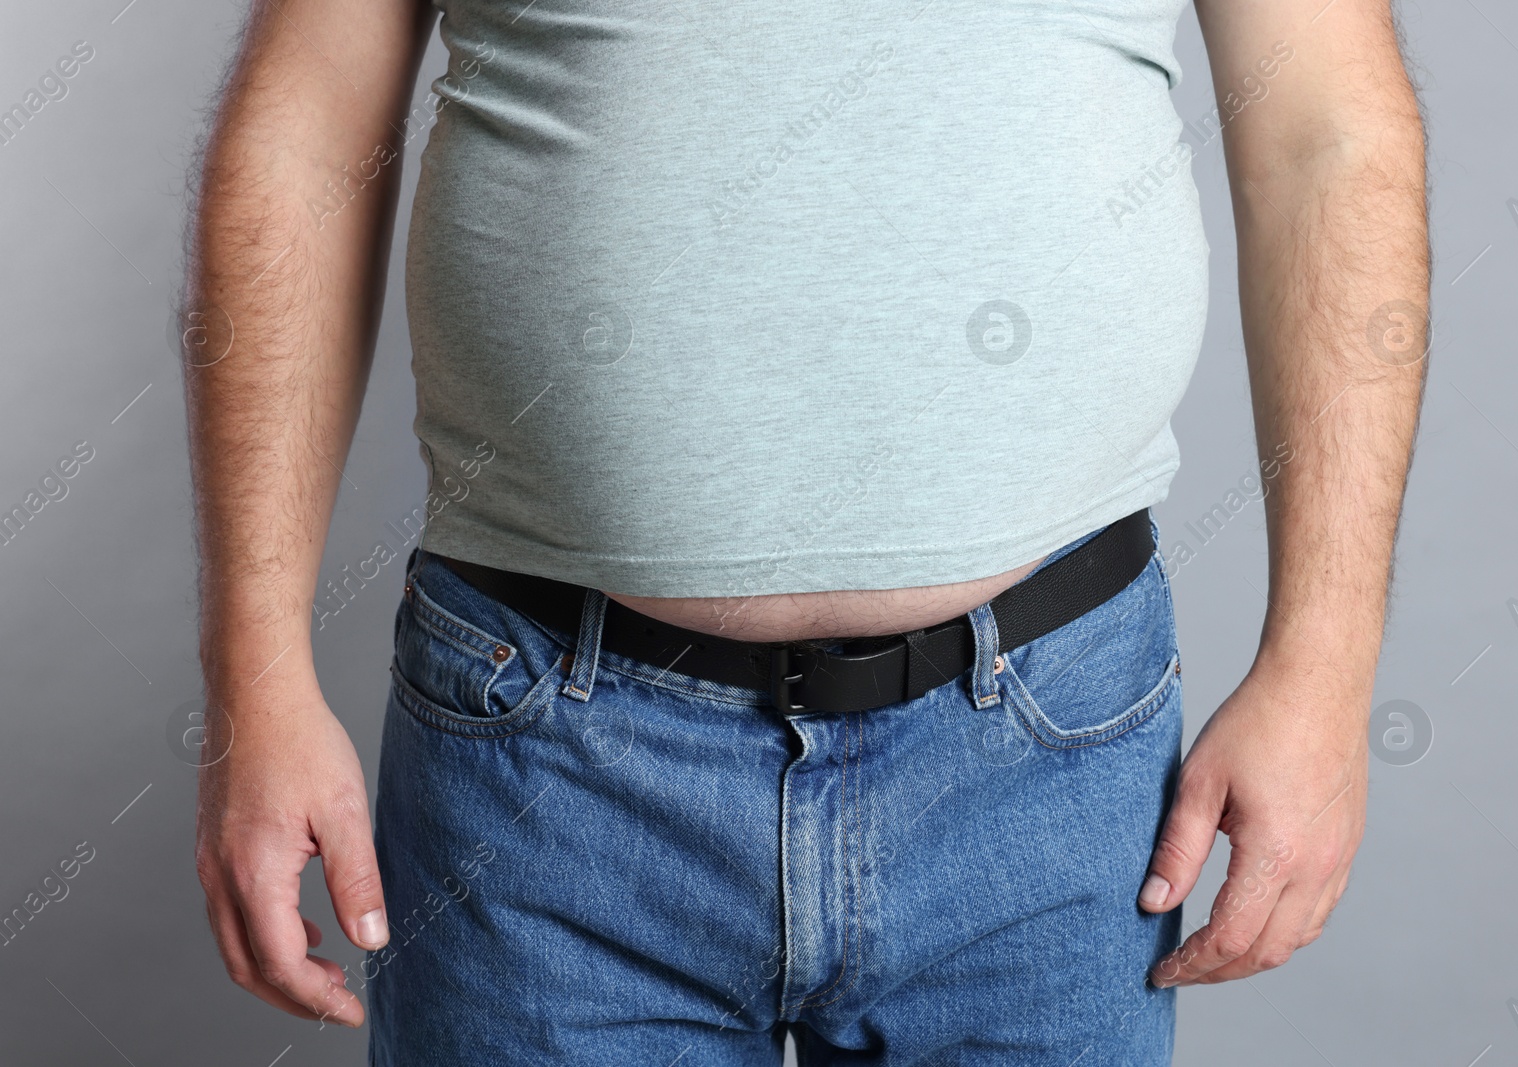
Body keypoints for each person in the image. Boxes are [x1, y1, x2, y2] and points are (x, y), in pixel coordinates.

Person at [181, 0, 1427, 1062]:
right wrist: (253, 676)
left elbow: (1327, 133)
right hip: (543, 764)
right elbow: (308, 129)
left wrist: (1324, 668)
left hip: (1050, 759)